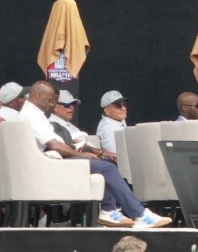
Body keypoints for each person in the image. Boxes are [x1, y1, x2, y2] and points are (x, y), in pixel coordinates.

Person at [21, 81, 170, 230]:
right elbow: (53, 145)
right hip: (50, 164)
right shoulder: (31, 115)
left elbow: (55, 143)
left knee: (105, 164)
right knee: (108, 168)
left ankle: (109, 211)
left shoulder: (34, 114)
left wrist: (77, 148)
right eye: (50, 101)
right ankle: (139, 214)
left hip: (50, 161)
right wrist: (80, 154)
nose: (52, 105)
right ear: (38, 95)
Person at [96, 91, 130, 158]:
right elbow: (116, 155)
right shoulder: (108, 128)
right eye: (118, 106)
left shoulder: (118, 121)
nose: (123, 108)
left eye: (124, 105)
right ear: (107, 111)